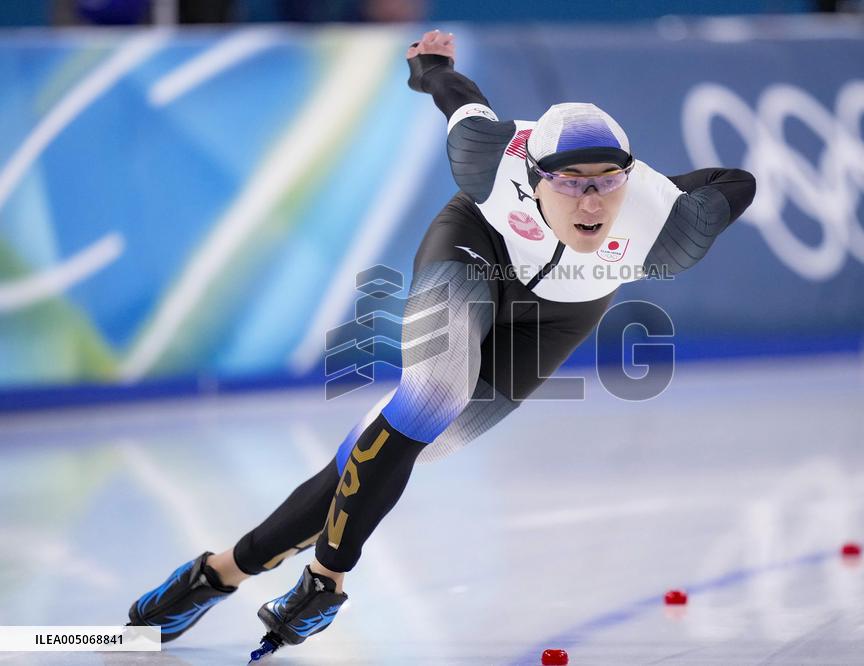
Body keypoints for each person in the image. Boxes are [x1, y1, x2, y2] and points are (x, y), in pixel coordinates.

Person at [126, 30, 756, 658]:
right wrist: (429, 66)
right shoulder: (488, 156)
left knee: (400, 448)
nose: (591, 201)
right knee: (431, 395)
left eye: (607, 181)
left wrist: (657, 185)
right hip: (475, 248)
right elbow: (453, 91)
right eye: (570, 182)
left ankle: (217, 573)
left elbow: (739, 180)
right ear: (532, 176)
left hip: (560, 316)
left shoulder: (668, 226)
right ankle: (326, 581)